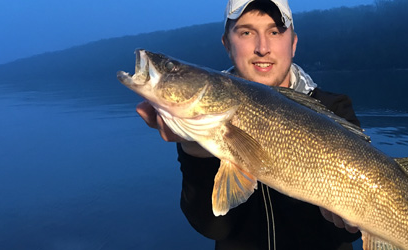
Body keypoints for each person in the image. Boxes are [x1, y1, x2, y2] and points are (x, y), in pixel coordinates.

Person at [136, 0, 362, 249]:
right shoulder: (205, 122)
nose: (262, 48)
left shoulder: (335, 109)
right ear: (227, 44)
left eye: (274, 32)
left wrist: (353, 220)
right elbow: (212, 226)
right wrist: (195, 154)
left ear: (293, 43)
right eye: (246, 32)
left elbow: (349, 235)